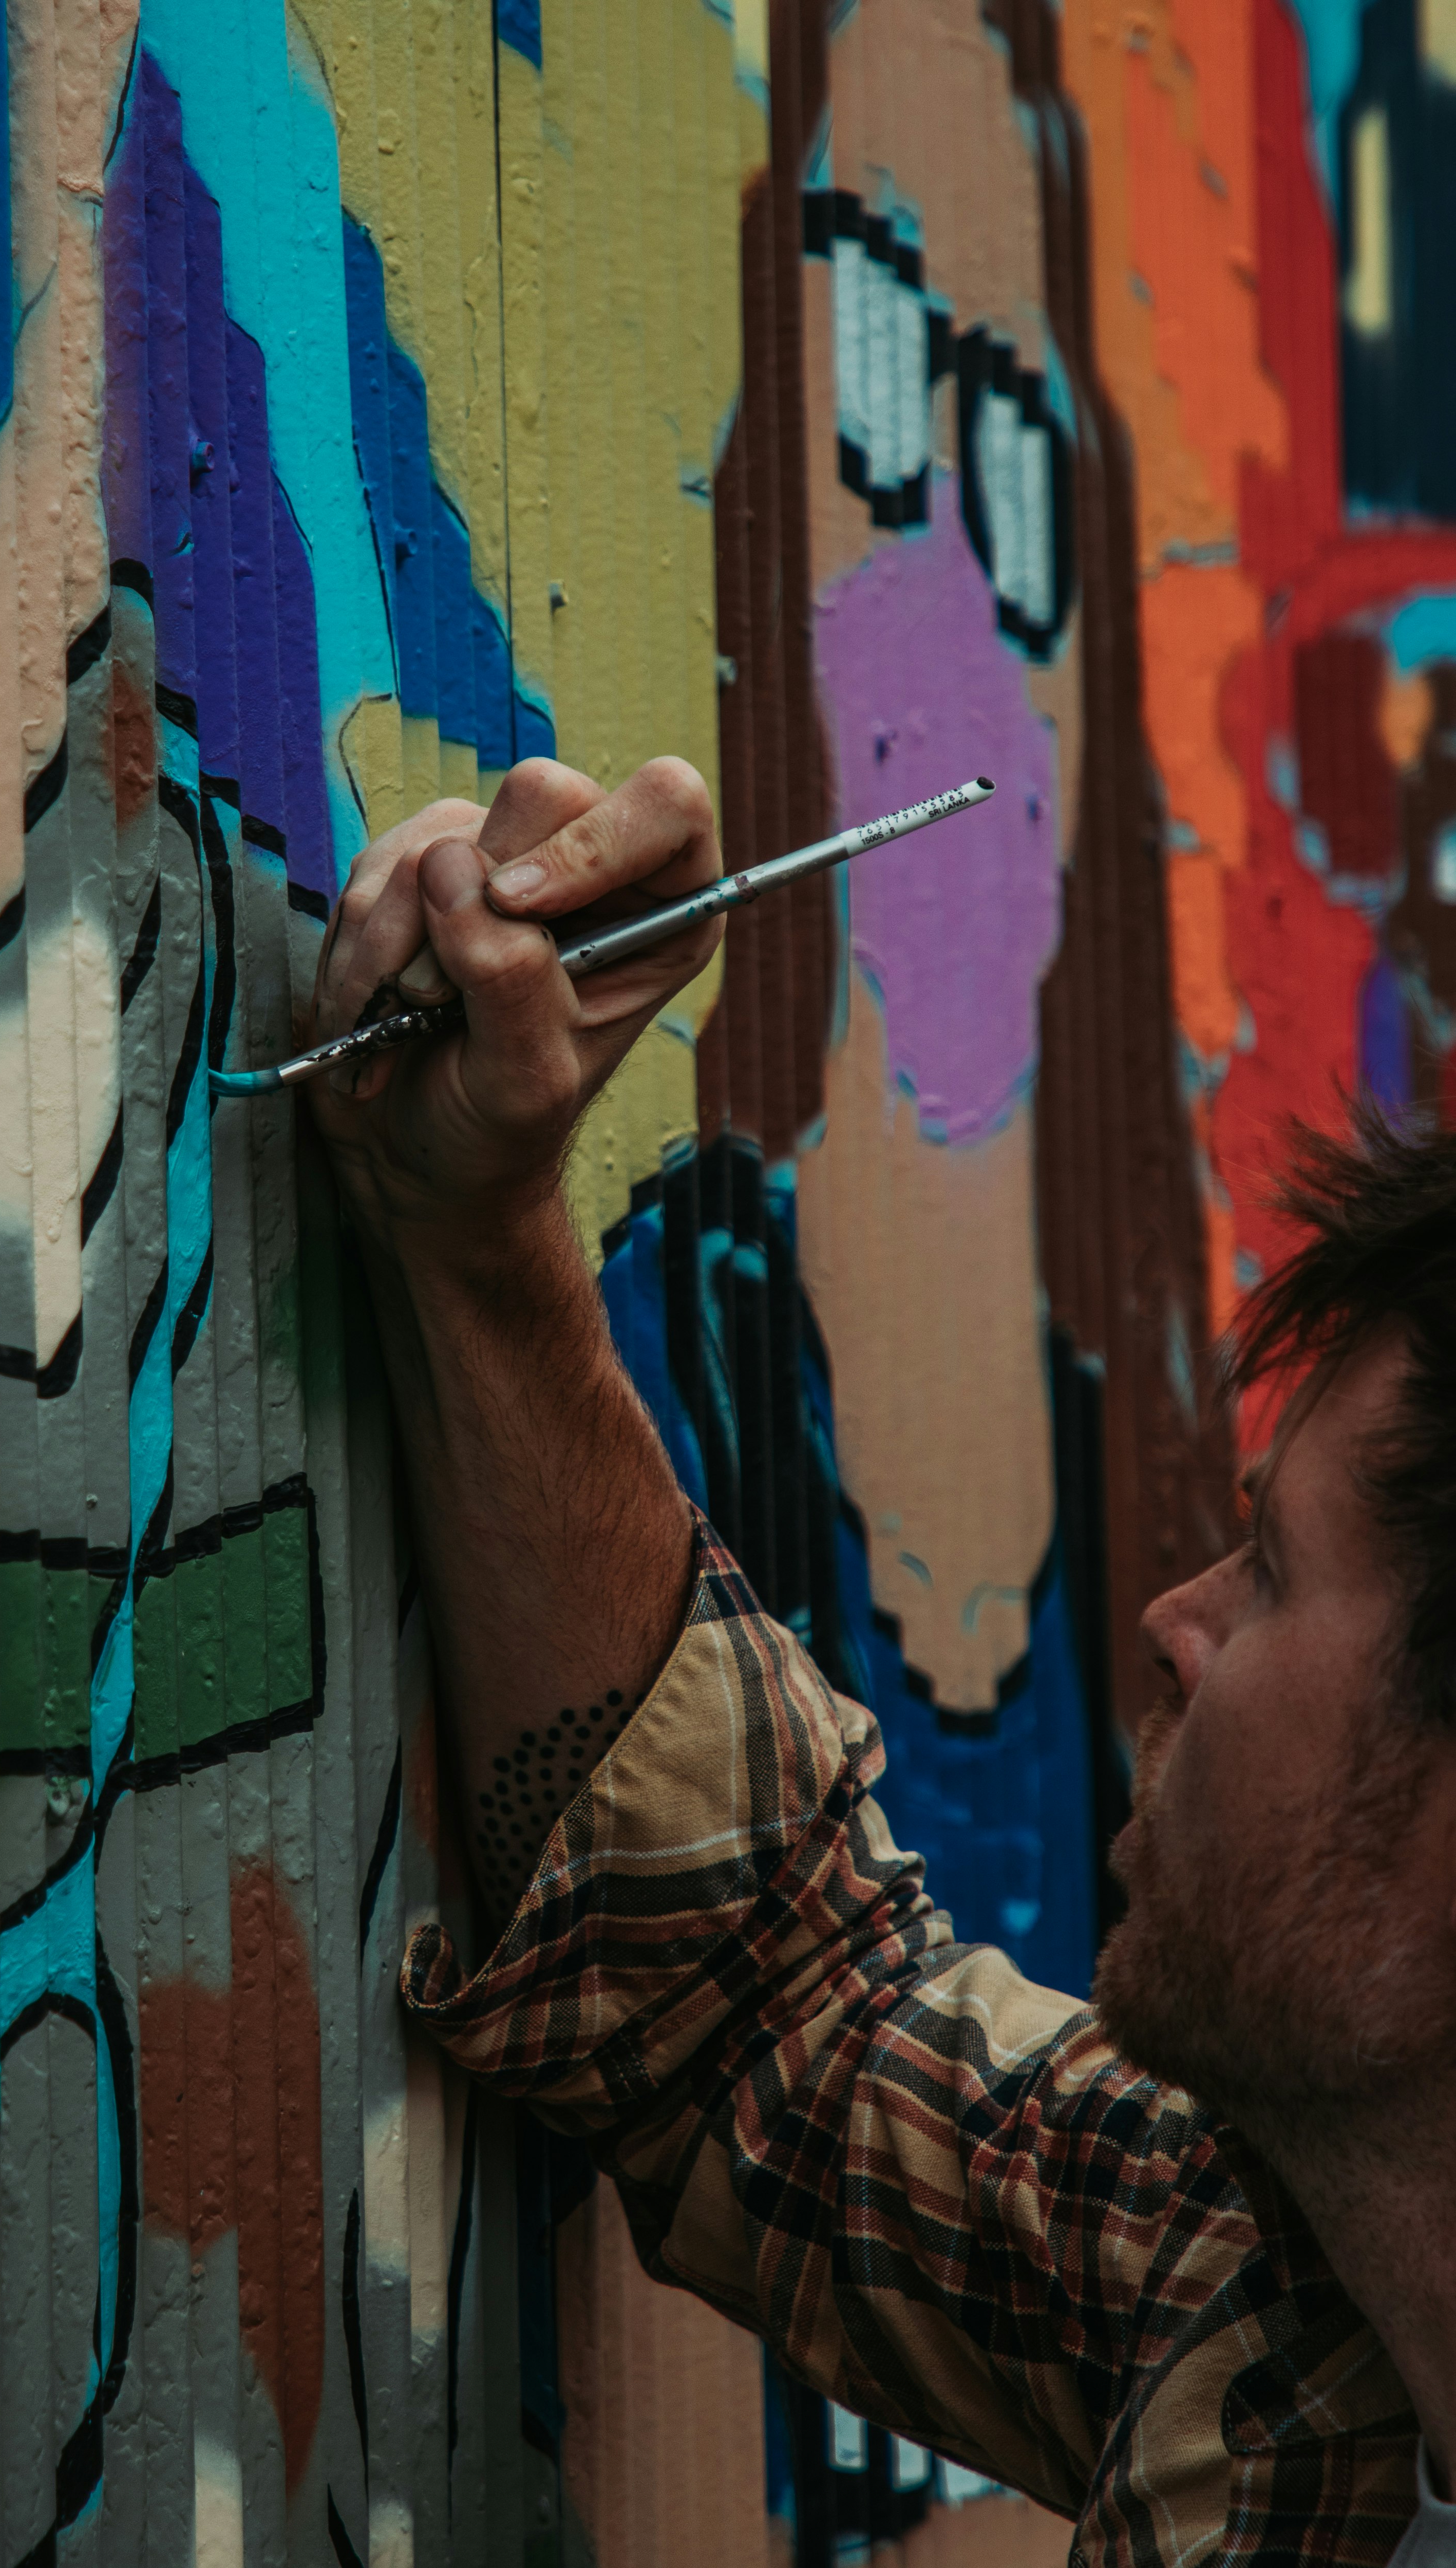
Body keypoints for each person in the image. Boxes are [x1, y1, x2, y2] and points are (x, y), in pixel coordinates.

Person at [305, 756, 1456, 2564]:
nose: (1176, 1626)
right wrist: (471, 1225)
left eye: (1275, 1575)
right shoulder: (1305, 2351)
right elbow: (767, 2018)